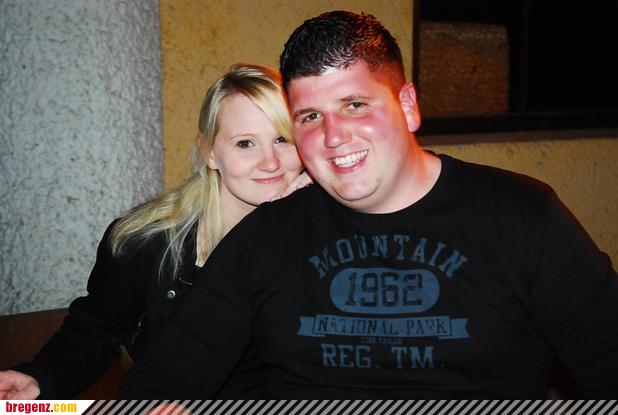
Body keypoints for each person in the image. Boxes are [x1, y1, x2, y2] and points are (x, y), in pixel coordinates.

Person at [117, 11, 618, 398]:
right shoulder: (266, 236)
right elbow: (166, 375)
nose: (333, 136)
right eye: (310, 116)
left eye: (354, 105)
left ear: (408, 107)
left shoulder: (522, 215)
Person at [0, 63, 309, 399]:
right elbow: (96, 331)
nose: (270, 162)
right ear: (209, 152)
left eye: (282, 139)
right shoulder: (144, 241)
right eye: (245, 143)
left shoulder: (324, 237)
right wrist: (40, 379)